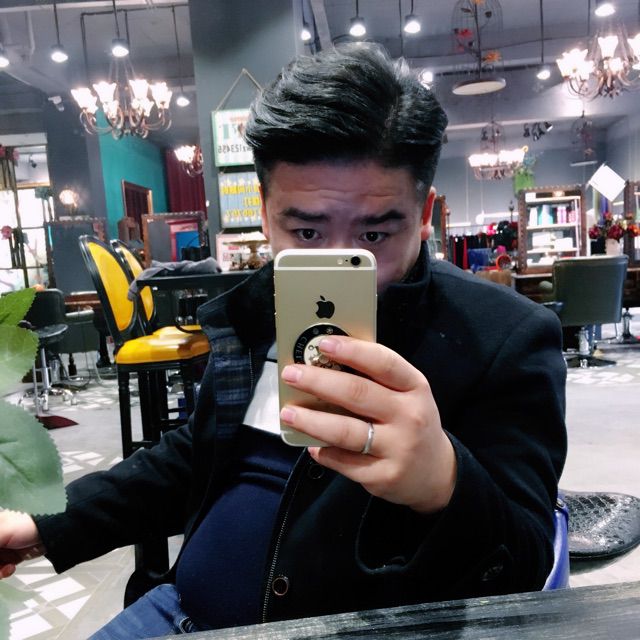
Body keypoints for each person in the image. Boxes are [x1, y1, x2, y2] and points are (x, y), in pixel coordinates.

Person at [0, 43, 567, 638]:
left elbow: (527, 567)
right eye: (306, 232)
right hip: (176, 610)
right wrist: (46, 522)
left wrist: (445, 483)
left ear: (424, 212)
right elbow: (192, 457)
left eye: (375, 234)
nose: (339, 262)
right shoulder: (256, 310)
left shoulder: (505, 337)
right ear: (266, 211)